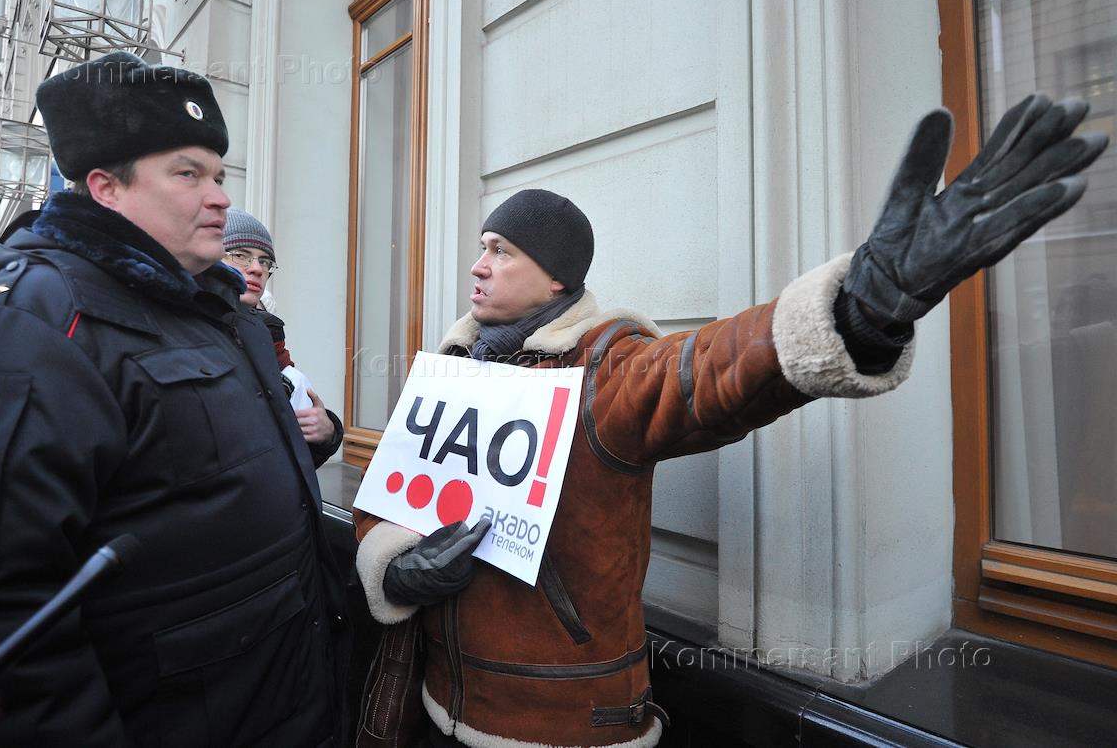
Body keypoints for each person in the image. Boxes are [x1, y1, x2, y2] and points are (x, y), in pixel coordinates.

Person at [353, 94, 1110, 747]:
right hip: (434, 697)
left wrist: (855, 310)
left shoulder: (606, 371)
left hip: (559, 727)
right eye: (482, 248)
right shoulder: (452, 365)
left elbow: (706, 372)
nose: (479, 264)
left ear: (557, 279)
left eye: (502, 250)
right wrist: (395, 566)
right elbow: (390, 487)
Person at [0, 52, 349, 746]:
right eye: (188, 174)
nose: (220, 197)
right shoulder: (26, 322)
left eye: (219, 176)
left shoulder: (224, 313)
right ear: (106, 188)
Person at [222, 207, 343, 453]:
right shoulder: (176, 335)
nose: (256, 268)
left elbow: (293, 460)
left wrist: (327, 433)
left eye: (264, 261)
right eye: (241, 255)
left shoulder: (281, 363)